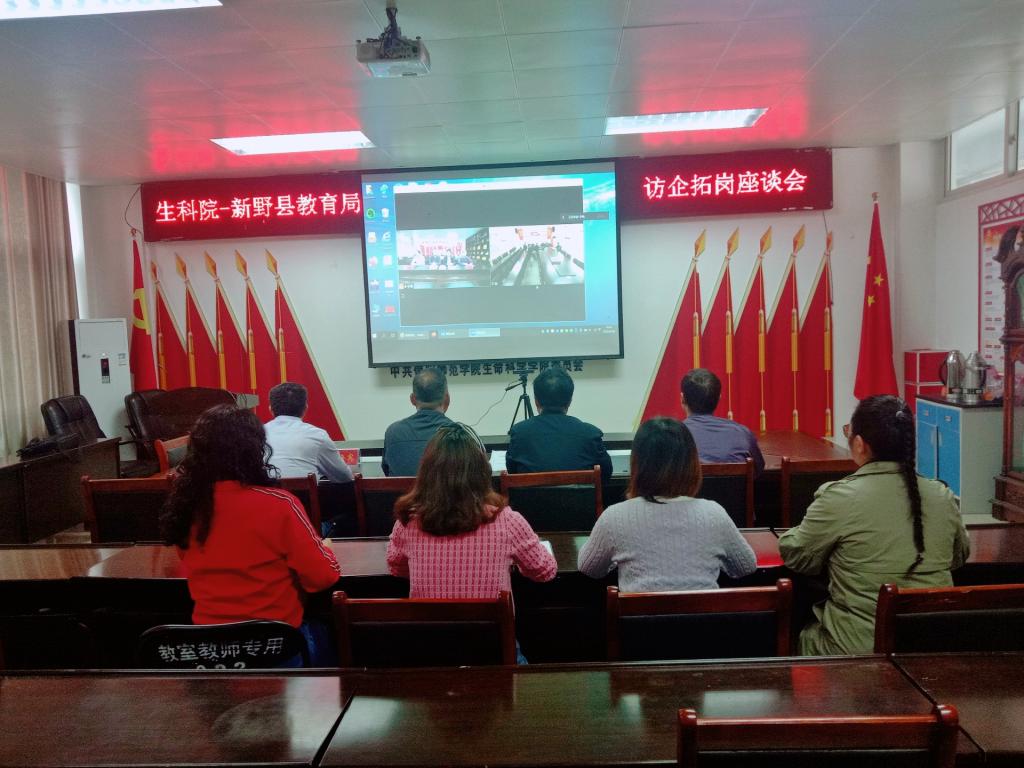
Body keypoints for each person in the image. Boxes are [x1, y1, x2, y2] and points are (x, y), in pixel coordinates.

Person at [778, 395, 971, 656]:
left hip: (854, 652)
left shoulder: (839, 497)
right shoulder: (942, 496)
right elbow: (958, 557)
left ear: (859, 444)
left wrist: (792, 534)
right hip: (930, 649)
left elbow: (798, 557)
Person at [160, 404, 341, 665]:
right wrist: (326, 551)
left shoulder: (186, 506)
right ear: (255, 449)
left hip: (210, 650)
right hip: (274, 648)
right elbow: (321, 578)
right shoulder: (280, 504)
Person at [577, 417, 757, 591]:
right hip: (703, 613)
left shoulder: (614, 517)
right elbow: (746, 566)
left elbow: (588, 568)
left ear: (637, 463)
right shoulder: (713, 514)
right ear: (691, 463)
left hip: (640, 613)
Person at [386, 422, 557, 599]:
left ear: (426, 473)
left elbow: (397, 568)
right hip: (491, 619)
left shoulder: (408, 522)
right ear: (483, 471)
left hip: (429, 618)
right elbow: (545, 571)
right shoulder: (509, 522)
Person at [505, 366, 612, 481]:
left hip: (530, 494)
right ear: (570, 401)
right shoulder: (590, 434)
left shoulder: (519, 433)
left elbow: (512, 474)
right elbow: (606, 474)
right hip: (581, 493)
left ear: (536, 401)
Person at [680, 368, 765, 475]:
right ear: (719, 398)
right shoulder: (742, 434)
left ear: (682, 398)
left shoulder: (671, 438)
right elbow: (759, 470)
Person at [264, 382, 352, 482]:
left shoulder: (256, 434)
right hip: (303, 493)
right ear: (305, 408)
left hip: (264, 492)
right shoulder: (318, 435)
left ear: (270, 409)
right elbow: (344, 477)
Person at [382, 367, 453, 476]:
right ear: (447, 398)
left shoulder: (393, 433)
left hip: (406, 488)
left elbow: (387, 473)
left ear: (412, 399)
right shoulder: (460, 434)